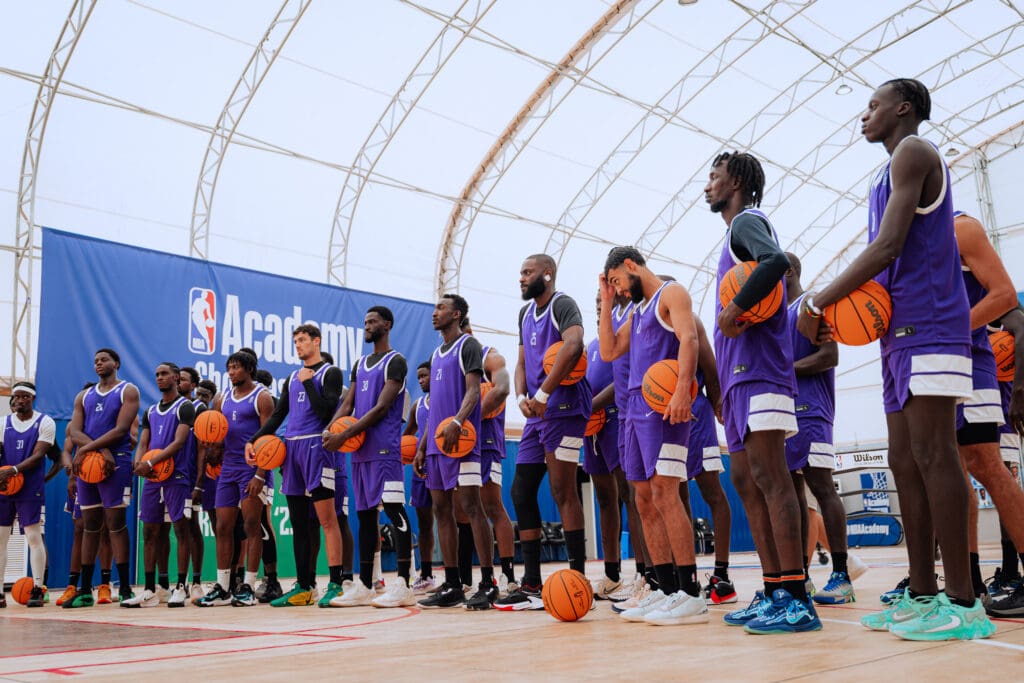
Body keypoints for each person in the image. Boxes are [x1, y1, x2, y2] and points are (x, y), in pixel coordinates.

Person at [798, 78, 994, 640]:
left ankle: (964, 601)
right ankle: (924, 594)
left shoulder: (915, 151)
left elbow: (888, 246)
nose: (865, 116)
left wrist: (817, 299)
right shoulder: (882, 173)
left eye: (874, 106)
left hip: (932, 321)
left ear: (903, 109)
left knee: (936, 456)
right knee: (904, 460)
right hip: (898, 331)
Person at [705, 151, 820, 634]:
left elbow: (774, 262)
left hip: (760, 373)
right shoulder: (733, 235)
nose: (707, 184)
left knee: (773, 481)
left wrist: (735, 308)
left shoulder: (746, 223)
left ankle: (796, 597)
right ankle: (773, 588)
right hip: (739, 379)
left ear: (735, 180)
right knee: (750, 484)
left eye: (714, 176)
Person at [598, 247, 708, 626]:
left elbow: (689, 339)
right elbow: (611, 350)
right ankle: (663, 587)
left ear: (631, 266)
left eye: (617, 281)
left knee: (665, 492)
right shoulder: (637, 310)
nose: (618, 289)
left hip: (664, 407)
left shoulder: (671, 294)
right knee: (642, 499)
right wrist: (607, 302)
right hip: (634, 410)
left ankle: (691, 592)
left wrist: (682, 390)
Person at [496, 255, 592, 611]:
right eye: (520, 272)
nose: (521, 278)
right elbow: (521, 361)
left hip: (565, 409)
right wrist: (522, 396)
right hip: (536, 414)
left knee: (563, 490)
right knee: (520, 491)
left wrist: (543, 394)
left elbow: (574, 344)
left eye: (527, 272)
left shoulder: (562, 304)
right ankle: (532, 582)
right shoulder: (525, 314)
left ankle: (578, 577)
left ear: (547, 274)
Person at [949, 214, 1024, 618]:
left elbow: (1013, 309)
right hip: (938, 370)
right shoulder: (909, 245)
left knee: (991, 468)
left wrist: (1020, 392)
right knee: (955, 472)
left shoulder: (961, 230)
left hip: (976, 373)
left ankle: (1014, 574)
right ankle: (971, 578)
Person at [783, 252, 865, 606]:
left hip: (812, 410)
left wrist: (782, 371)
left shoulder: (810, 305)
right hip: (786, 414)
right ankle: (801, 577)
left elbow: (829, 356)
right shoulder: (776, 318)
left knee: (821, 487)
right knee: (795, 495)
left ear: (788, 271)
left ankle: (841, 574)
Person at [323, 306, 414, 608]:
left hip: (385, 449)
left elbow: (381, 407)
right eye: (365, 322)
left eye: (372, 321)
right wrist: (330, 428)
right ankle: (364, 584)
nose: (367, 326)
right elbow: (348, 403)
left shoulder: (395, 361)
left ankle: (403, 583)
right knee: (364, 517)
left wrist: (344, 435)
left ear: (386, 325)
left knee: (394, 510)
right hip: (360, 452)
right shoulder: (360, 363)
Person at [248, 325, 345, 607]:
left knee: (327, 519)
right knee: (299, 522)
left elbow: (327, 411)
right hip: (292, 449)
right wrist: (254, 440)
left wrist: (307, 382)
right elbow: (278, 415)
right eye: (295, 341)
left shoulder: (330, 373)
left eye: (302, 340)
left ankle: (336, 583)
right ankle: (304, 586)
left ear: (317, 341)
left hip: (317, 446)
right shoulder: (291, 377)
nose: (298, 345)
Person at [414, 294, 496, 609]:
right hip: (436, 444)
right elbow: (435, 407)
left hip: (463, 441)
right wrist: (422, 445)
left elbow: (474, 391)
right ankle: (452, 584)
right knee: (441, 510)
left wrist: (458, 422)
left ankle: (487, 582)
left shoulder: (468, 346)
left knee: (472, 507)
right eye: (434, 307)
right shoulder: (436, 354)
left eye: (441, 308)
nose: (435, 312)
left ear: (456, 314)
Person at [196, 351, 274, 607]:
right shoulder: (221, 398)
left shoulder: (262, 398)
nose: (231, 372)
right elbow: (217, 431)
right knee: (223, 527)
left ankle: (248, 587)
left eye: (237, 367)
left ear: (249, 369)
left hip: (251, 468)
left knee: (252, 527)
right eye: (229, 368)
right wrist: (213, 448)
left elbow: (268, 439)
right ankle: (223, 587)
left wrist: (261, 474)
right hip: (227, 469)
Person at [64, 348, 140, 608]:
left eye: (103, 359)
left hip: (116, 462)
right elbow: (74, 430)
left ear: (116, 363)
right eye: (95, 360)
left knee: (116, 524)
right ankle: (85, 589)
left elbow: (121, 429)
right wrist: (95, 449)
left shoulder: (128, 391)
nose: (98, 363)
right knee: (89, 524)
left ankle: (126, 588)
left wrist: (87, 448)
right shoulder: (83, 396)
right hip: (91, 463)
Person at [124, 362, 195, 608]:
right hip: (154, 478)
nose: (160, 378)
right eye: (156, 375)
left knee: (180, 531)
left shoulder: (185, 407)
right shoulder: (151, 410)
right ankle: (151, 590)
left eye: (164, 374)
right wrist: (138, 462)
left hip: (177, 477)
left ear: (176, 377)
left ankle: (180, 587)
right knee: (150, 533)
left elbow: (179, 442)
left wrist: (150, 461)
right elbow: (143, 441)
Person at [685, 317, 736, 605]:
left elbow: (712, 370)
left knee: (713, 493)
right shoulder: (642, 321)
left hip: (696, 417)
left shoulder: (690, 322)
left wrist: (717, 403)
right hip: (664, 417)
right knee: (676, 497)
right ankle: (685, 575)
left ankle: (722, 575)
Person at [465, 319, 517, 596]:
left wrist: (470, 416)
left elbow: (502, 387)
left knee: (492, 505)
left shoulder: (491, 357)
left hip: (485, 441)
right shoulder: (454, 363)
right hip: (462, 444)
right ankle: (470, 577)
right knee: (466, 509)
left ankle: (508, 574)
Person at [583, 295, 627, 599]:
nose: (600, 303)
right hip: (592, 428)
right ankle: (612, 574)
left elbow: (623, 380)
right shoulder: (592, 345)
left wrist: (589, 406)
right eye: (596, 300)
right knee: (605, 501)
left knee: (632, 497)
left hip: (617, 419)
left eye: (605, 299)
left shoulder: (624, 332)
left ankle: (650, 573)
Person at [0, 382, 55, 608]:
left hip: (30, 486)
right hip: (4, 487)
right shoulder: (3, 422)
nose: (19, 400)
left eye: (24, 397)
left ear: (32, 398)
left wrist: (13, 470)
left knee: (33, 537)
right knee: (0, 540)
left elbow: (39, 455)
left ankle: (38, 588)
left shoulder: (45, 422)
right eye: (16, 397)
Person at [404, 361, 436, 594]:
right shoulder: (417, 404)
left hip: (441, 462)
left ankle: (459, 575)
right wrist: (403, 450)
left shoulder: (445, 399)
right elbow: (407, 434)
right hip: (420, 468)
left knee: (451, 519)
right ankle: (426, 574)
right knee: (424, 524)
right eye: (419, 377)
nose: (421, 380)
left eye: (425, 375)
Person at [179, 366, 208, 601]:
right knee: (162, 530)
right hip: (168, 476)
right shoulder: (170, 407)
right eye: (176, 379)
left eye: (183, 380)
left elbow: (203, 449)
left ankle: (196, 581)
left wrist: (199, 482)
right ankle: (166, 584)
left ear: (194, 384)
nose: (179, 383)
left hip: (190, 477)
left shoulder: (199, 409)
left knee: (192, 527)